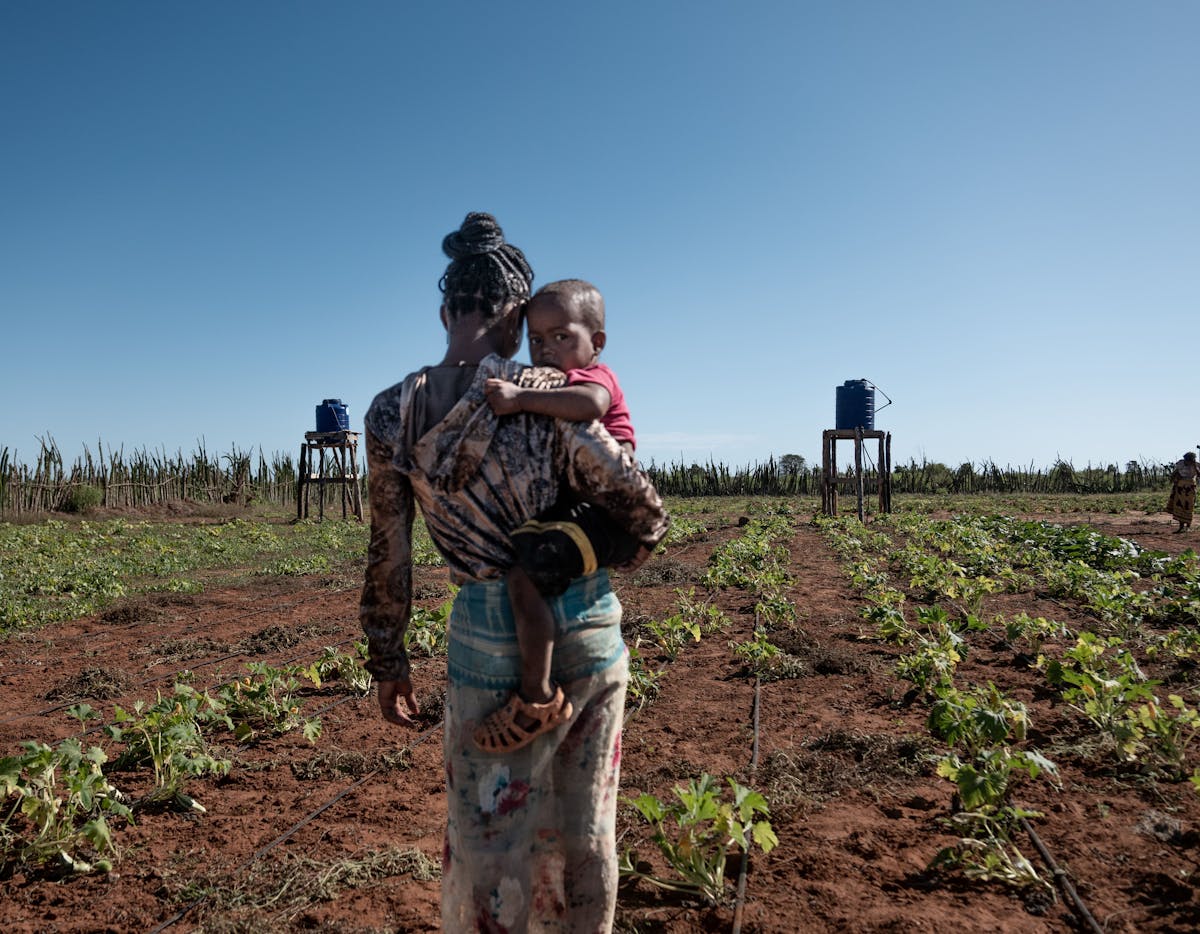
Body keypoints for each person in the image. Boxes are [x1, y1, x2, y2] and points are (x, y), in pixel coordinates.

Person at [359, 212, 669, 932]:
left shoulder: (388, 415)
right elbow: (647, 515)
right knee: (587, 836)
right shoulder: (547, 392)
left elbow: (388, 550)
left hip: (483, 640)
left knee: (488, 844)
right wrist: (571, 547)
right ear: (514, 317)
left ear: (445, 312)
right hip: (588, 629)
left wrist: (387, 657)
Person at [474, 279, 640, 754]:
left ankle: (537, 698)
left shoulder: (594, 379)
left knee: (524, 580)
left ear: (597, 343)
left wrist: (519, 398)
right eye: (538, 339)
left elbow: (590, 406)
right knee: (520, 554)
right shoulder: (558, 383)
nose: (547, 349)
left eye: (561, 337)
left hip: (607, 511)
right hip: (583, 508)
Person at [1168, 451, 1200, 532]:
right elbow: (1176, 472)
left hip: (1190, 489)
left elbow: (1199, 475)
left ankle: (1188, 526)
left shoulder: (1196, 465)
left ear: (1192, 460)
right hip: (1180, 488)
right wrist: (1173, 480)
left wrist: (1195, 467)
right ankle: (1181, 526)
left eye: (1188, 460)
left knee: (1189, 506)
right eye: (1185, 459)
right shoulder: (1180, 464)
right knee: (1179, 506)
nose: (1186, 461)